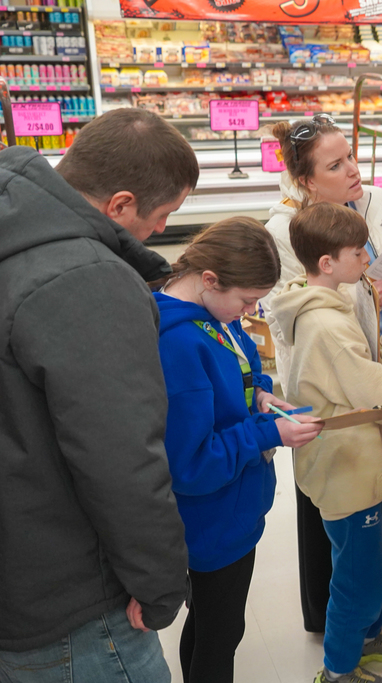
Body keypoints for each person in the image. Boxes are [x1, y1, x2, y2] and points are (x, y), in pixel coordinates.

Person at [0, 109, 198, 682]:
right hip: (72, 603)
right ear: (119, 204)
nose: (161, 231)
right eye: (162, 216)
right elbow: (121, 458)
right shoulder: (86, 280)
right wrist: (160, 586)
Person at [270, 202, 382, 683]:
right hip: (348, 467)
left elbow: (358, 367)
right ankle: (339, 669)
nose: (369, 259)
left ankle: (366, 639)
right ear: (327, 263)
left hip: (369, 463)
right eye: (359, 252)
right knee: (359, 581)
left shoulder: (334, 303)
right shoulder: (324, 323)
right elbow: (381, 389)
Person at [264, 115, 382, 633]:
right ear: (306, 181)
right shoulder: (285, 229)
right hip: (326, 387)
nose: (353, 169)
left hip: (378, 362)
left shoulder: (375, 201)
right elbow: (286, 314)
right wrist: (367, 291)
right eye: (336, 164)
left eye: (351, 155)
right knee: (336, 503)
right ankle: (335, 617)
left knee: (380, 485)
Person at [154, 218, 323, 683]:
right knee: (221, 632)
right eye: (247, 300)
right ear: (209, 280)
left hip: (233, 509)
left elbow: (243, 361)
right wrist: (269, 435)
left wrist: (262, 396)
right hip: (211, 522)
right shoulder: (180, 344)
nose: (251, 310)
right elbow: (191, 464)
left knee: (213, 623)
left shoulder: (213, 316)